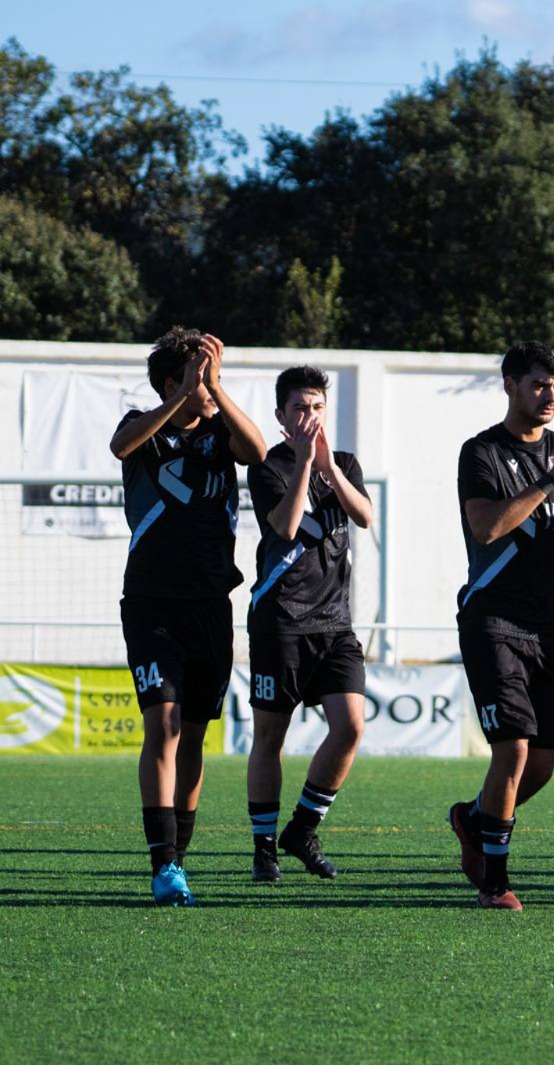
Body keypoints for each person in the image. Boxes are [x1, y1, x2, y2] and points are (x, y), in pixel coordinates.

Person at [445, 341, 554, 910]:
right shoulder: (481, 452)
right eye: (539, 385)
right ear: (510, 386)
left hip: (549, 628)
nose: (550, 396)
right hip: (493, 620)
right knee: (512, 751)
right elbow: (488, 527)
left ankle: (472, 818)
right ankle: (495, 884)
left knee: (539, 766)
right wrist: (547, 480)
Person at [109, 328, 267, 905]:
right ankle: (162, 862)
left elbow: (259, 453)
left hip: (210, 605)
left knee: (196, 733)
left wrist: (216, 389)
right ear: (173, 382)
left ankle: (180, 857)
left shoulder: (222, 432)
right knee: (165, 725)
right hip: (152, 603)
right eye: (200, 373)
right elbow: (120, 446)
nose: (210, 384)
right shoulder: (143, 427)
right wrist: (181, 397)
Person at [245, 365, 375, 884]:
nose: (310, 417)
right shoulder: (268, 466)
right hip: (280, 622)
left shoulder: (343, 461)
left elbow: (364, 516)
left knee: (350, 726)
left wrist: (329, 469)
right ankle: (263, 849)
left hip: (335, 624)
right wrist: (302, 464)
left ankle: (302, 829)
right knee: (269, 740)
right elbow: (287, 524)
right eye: (299, 408)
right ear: (281, 416)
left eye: (317, 408)